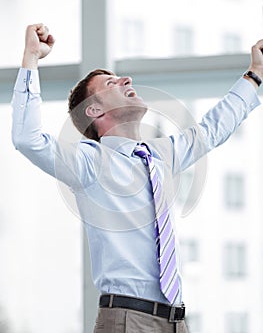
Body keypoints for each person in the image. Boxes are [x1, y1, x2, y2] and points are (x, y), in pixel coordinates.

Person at [11, 24, 263, 333]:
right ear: (94, 109)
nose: (127, 80)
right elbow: (28, 138)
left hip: (176, 321)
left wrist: (254, 74)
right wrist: (31, 58)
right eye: (112, 83)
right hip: (128, 321)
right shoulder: (89, 162)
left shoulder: (161, 155)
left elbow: (212, 129)